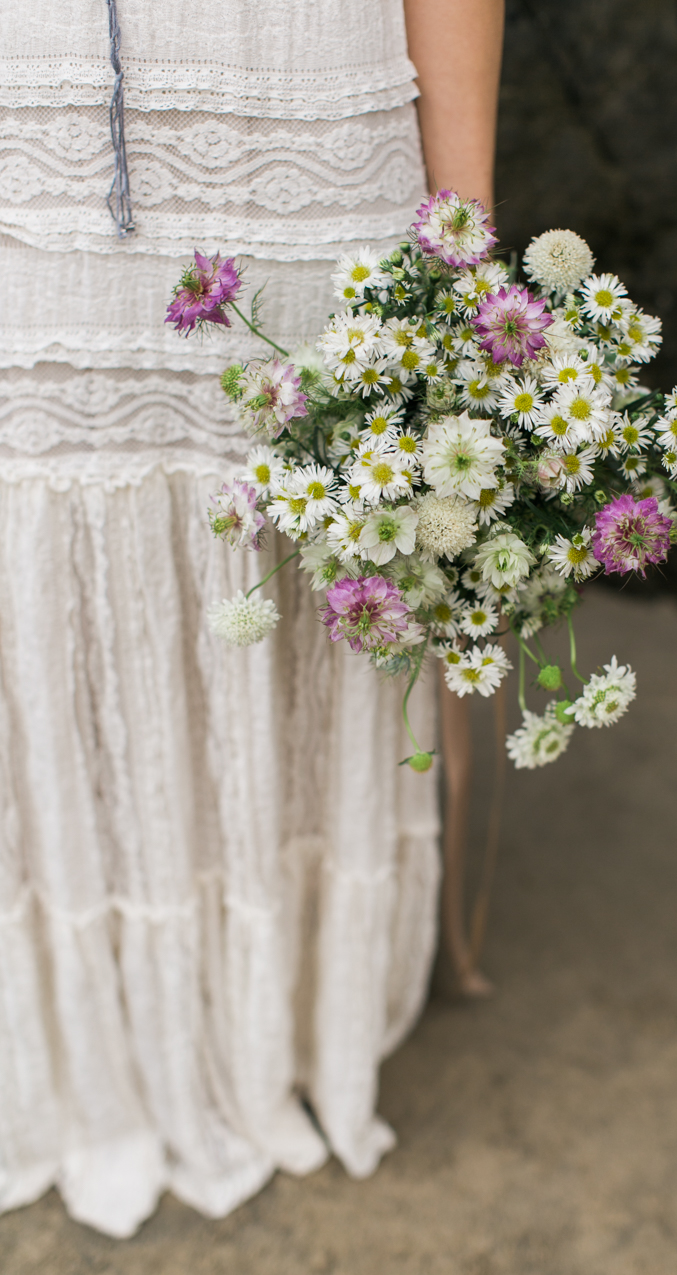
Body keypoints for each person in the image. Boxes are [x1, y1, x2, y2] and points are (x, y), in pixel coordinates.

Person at [0, 0, 503, 1237]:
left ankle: (267, 1012)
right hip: (35, 120)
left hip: (299, 117)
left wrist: (464, 256)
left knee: (300, 546)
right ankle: (90, 1040)